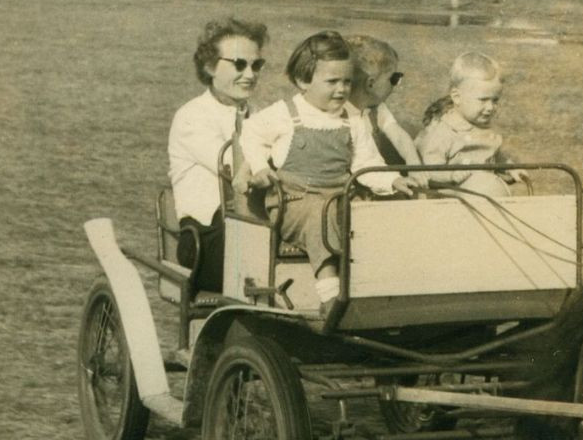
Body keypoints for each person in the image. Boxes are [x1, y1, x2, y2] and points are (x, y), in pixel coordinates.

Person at [240, 30, 422, 307]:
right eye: (332, 81)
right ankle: (329, 292)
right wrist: (260, 167)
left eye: (347, 82)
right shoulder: (286, 114)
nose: (342, 89)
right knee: (319, 216)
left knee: (373, 213)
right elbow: (250, 134)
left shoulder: (352, 119)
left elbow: (367, 162)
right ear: (303, 80)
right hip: (294, 201)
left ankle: (379, 283)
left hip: (340, 195)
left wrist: (393, 181)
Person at [167, 17, 268, 292]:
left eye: (256, 65)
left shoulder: (258, 114)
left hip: (249, 226)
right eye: (239, 64)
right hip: (204, 239)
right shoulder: (192, 117)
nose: (249, 74)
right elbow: (232, 166)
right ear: (210, 66)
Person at [416, 52, 527, 199]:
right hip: (450, 200)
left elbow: (495, 156)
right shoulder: (444, 132)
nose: (490, 107)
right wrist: (451, 175)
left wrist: (510, 168)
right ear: (457, 97)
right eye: (483, 100)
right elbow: (429, 169)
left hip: (487, 195)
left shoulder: (483, 129)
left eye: (495, 100)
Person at [344, 34, 422, 168]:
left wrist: (413, 163)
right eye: (393, 78)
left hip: (372, 172)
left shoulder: (376, 108)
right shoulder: (342, 112)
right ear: (371, 84)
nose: (397, 84)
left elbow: (398, 136)